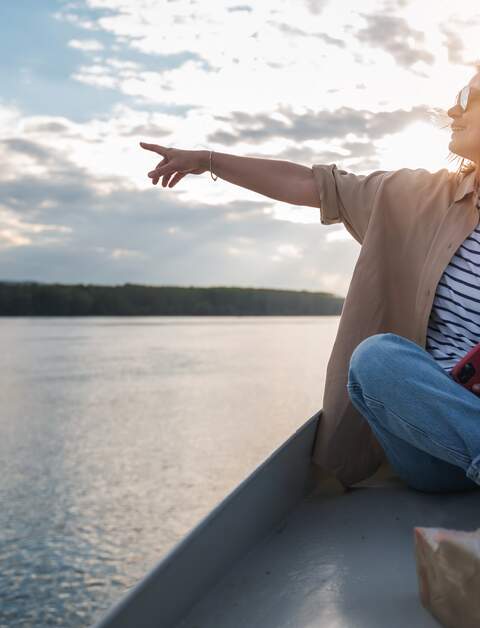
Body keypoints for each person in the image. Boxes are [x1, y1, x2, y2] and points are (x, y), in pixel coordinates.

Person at [139, 68, 480, 494]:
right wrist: (208, 160)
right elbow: (310, 184)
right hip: (437, 446)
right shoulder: (417, 196)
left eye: (469, 97)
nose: (454, 109)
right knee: (376, 359)